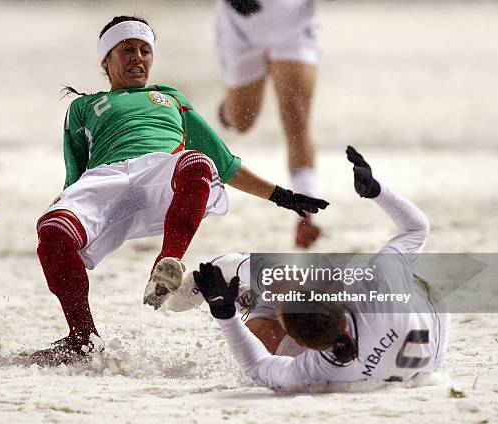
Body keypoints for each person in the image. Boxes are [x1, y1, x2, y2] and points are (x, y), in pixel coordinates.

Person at [29, 16, 329, 366]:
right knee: (52, 231)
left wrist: (284, 196)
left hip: (163, 173)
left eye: (145, 50)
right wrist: (64, 204)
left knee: (198, 162)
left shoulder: (170, 98)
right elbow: (75, 174)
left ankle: (165, 264)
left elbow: (225, 163)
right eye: (127, 49)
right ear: (106, 60)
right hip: (105, 179)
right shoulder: (82, 108)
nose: (138, 57)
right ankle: (83, 340)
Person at [176, 146, 449, 389]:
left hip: (422, 339)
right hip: (418, 314)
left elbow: (258, 367)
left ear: (306, 346)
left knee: (265, 318)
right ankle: (251, 287)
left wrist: (228, 317)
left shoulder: (316, 367)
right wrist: (376, 191)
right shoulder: (378, 286)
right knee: (304, 281)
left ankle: (239, 271)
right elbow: (417, 228)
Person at [216, 0, 322, 248]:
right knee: (242, 121)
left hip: (294, 22)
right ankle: (230, 108)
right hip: (242, 25)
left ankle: (307, 211)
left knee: (296, 117)